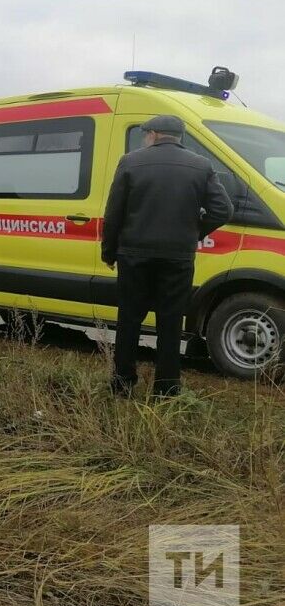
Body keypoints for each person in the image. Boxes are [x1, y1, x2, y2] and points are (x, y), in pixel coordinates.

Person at [102, 115, 233, 398]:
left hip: (134, 255)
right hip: (178, 257)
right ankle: (167, 388)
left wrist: (109, 252)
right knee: (171, 322)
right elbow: (224, 210)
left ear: (154, 134)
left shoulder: (130, 162)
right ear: (178, 136)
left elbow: (113, 214)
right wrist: (193, 232)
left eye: (144, 134)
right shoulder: (201, 165)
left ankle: (122, 383)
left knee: (129, 320)